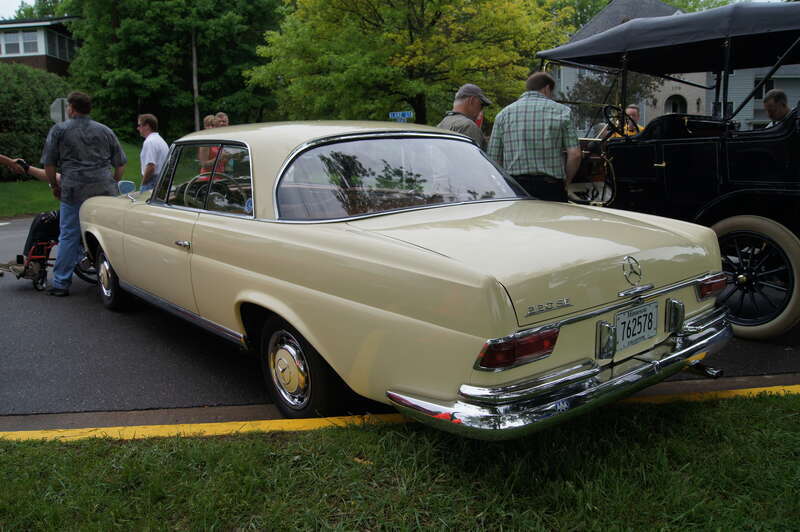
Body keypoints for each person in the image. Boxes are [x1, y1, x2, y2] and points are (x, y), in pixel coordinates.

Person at [41, 91, 127, 297]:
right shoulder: (104, 130)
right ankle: (119, 276)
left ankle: (61, 283)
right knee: (109, 233)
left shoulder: (60, 130)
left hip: (74, 189)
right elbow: (120, 163)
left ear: (71, 107)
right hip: (104, 189)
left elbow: (49, 163)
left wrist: (54, 184)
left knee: (69, 234)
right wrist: (112, 181)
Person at [487, 72, 581, 202]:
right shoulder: (563, 111)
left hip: (516, 187)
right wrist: (566, 181)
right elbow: (575, 154)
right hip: (551, 186)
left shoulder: (503, 115)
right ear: (547, 88)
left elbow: (493, 159)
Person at [437, 83, 491, 150]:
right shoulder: (469, 126)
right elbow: (472, 159)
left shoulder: (442, 123)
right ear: (472, 100)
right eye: (481, 105)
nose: (481, 110)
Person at [137, 113, 169, 192]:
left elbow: (151, 167)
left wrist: (143, 184)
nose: (138, 128)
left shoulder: (150, 142)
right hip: (162, 181)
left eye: (140, 125)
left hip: (152, 182)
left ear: (147, 126)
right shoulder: (161, 140)